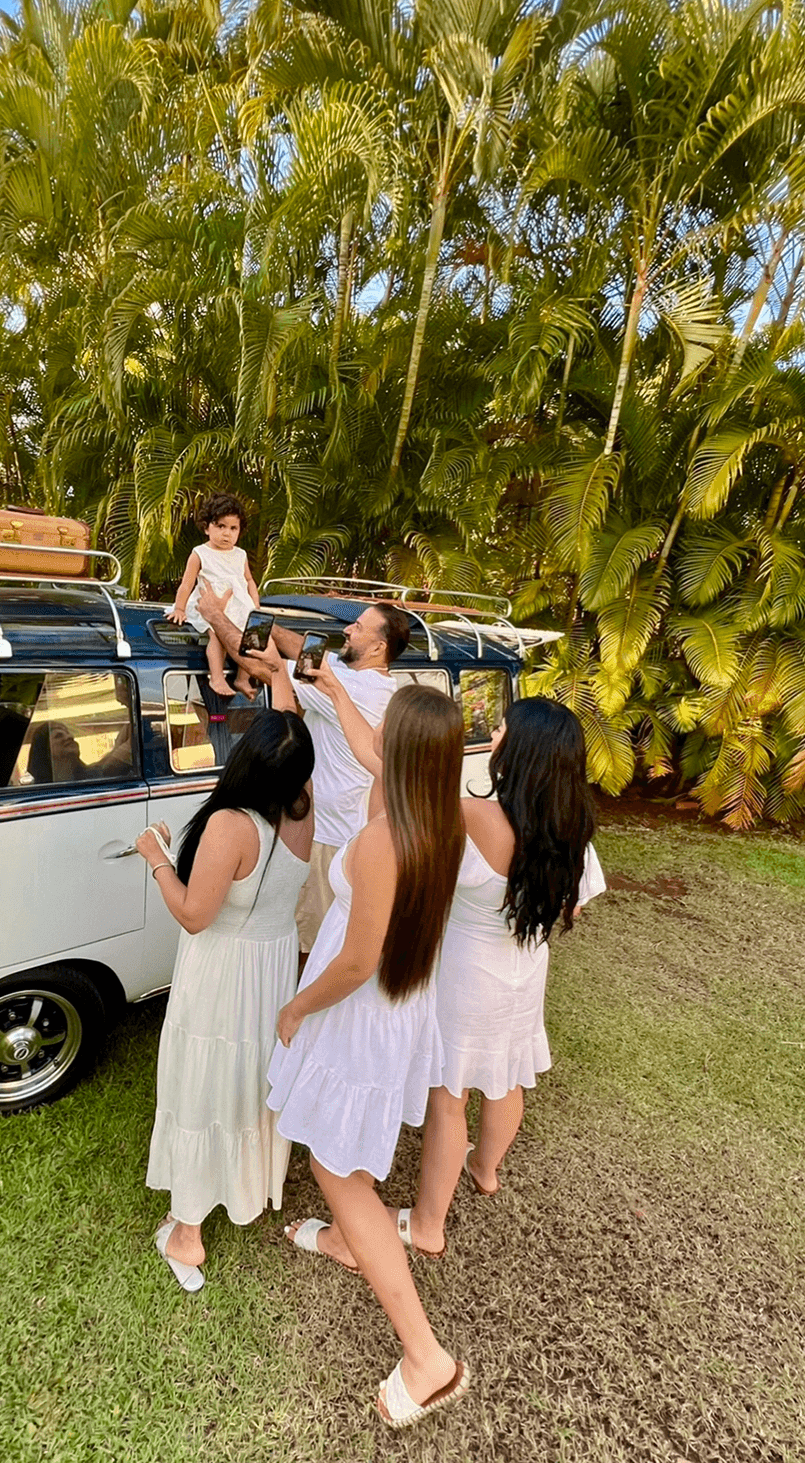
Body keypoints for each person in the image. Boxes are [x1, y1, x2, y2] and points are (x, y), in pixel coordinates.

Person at [267, 686, 472, 1430]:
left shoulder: (385, 837)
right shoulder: (440, 818)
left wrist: (296, 1005)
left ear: (404, 749)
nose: (370, 726)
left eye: (384, 724)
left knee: (336, 1165)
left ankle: (427, 1357)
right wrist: (307, 681)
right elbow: (360, 746)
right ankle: (346, 1240)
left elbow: (356, 959)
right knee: (338, 1156)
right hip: (396, 1004)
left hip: (360, 1008)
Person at [404, 697, 606, 1258]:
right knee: (509, 1076)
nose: (492, 736)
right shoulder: (575, 831)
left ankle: (427, 1223)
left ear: (519, 750)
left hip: (466, 979)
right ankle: (486, 1170)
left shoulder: (471, 817)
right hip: (524, 977)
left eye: (500, 730)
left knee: (450, 1098)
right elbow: (574, 909)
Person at [140, 709, 314, 1292]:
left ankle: (187, 1233)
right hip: (270, 965)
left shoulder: (231, 824)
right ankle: (250, 1185)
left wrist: (157, 857)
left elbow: (194, 915)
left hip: (225, 968)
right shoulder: (302, 808)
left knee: (206, 1079)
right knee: (248, 1075)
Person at [196, 581, 410, 951]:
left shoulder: (359, 690)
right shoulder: (364, 680)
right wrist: (251, 611)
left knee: (307, 943)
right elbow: (304, 651)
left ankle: (299, 1008)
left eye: (358, 627)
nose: (346, 628)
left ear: (378, 647)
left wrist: (216, 615)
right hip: (322, 829)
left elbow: (259, 663)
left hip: (324, 839)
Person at [167, 493, 261, 700]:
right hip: (210, 606)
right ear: (207, 527)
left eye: (233, 528)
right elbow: (187, 583)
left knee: (250, 638)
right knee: (216, 634)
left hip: (239, 606)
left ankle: (243, 678)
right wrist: (180, 608)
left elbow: (249, 581)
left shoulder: (240, 555)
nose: (226, 533)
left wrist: (256, 605)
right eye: (220, 526)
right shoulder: (200, 553)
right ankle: (216, 676)